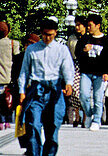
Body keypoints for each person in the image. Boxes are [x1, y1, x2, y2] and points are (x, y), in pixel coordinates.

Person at [18, 18, 76, 156]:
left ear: (55, 33)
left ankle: (49, 153)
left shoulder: (62, 50)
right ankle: (34, 152)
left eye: (50, 34)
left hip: (54, 91)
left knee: (53, 127)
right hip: (36, 90)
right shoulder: (32, 49)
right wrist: (21, 90)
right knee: (33, 125)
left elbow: (68, 68)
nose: (47, 37)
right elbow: (24, 71)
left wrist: (69, 83)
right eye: (44, 34)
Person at [75, 13, 108, 130]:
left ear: (98, 25)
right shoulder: (85, 39)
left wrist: (107, 72)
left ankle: (96, 120)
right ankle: (89, 114)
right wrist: (84, 50)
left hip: (100, 73)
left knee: (98, 97)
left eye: (90, 25)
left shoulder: (105, 40)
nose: (89, 28)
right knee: (83, 95)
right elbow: (77, 53)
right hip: (86, 72)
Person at [65, 17, 86, 127]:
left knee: (86, 92)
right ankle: (77, 116)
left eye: (79, 25)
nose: (77, 27)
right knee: (75, 91)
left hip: (86, 66)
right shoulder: (72, 38)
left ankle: (85, 116)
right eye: (76, 25)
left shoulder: (88, 38)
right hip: (74, 65)